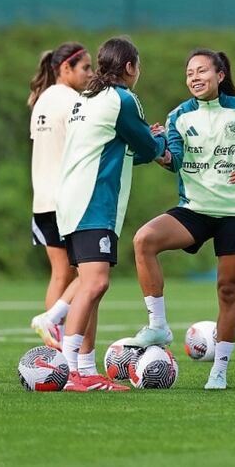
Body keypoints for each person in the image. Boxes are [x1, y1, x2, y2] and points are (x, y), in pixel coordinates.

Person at [126, 49, 235, 390]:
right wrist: (158, 150)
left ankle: (219, 370)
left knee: (228, 290)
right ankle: (158, 325)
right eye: (189, 73)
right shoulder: (179, 116)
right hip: (194, 209)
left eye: (202, 71)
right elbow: (173, 161)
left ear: (219, 75)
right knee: (144, 240)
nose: (194, 78)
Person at [56, 37, 167, 392]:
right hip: (93, 202)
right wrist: (162, 141)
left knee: (92, 287)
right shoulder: (123, 99)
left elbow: (112, 143)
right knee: (96, 283)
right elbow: (148, 149)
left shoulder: (85, 99)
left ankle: (85, 369)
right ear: (131, 67)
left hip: (70, 201)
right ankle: (73, 371)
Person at [27, 42, 93, 350]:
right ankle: (83, 355)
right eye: (86, 68)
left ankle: (51, 350)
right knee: (91, 275)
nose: (91, 74)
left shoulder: (41, 101)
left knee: (60, 275)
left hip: (43, 200)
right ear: (65, 68)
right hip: (69, 201)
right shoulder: (74, 102)